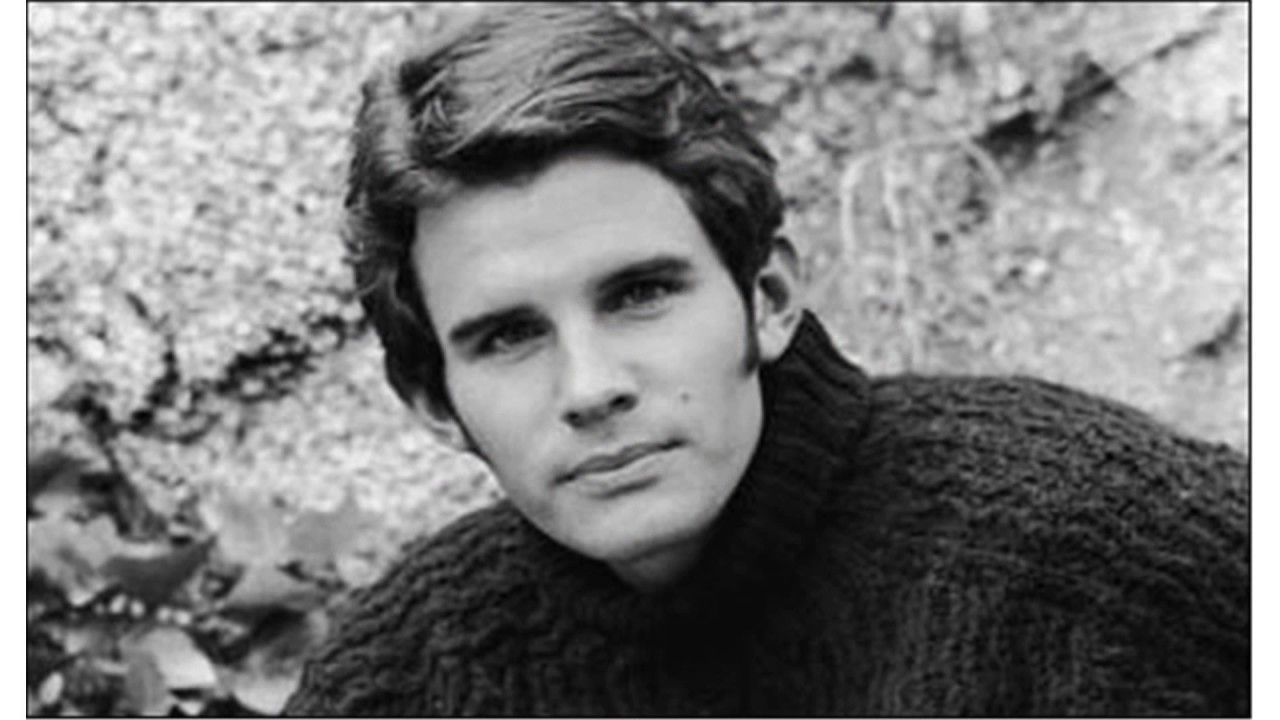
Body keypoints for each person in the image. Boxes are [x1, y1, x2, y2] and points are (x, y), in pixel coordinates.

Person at [285, 4, 1249, 716]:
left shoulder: (1095, 539)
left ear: (770, 297)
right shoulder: (400, 684)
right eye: (508, 337)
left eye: (640, 294)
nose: (591, 386)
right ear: (433, 401)